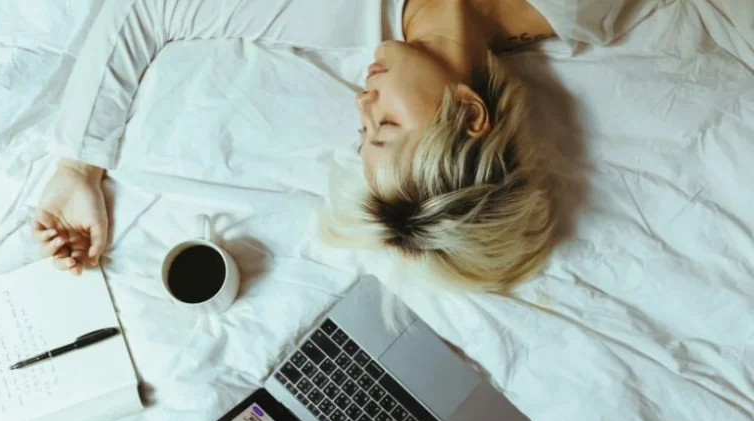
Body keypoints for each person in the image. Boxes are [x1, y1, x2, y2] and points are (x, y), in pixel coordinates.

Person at [32, 0, 652, 290]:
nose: (362, 100)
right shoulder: (582, 7)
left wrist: (78, 167)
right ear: (468, 112)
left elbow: (148, 7)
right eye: (386, 127)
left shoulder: (335, 13)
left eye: (363, 132)